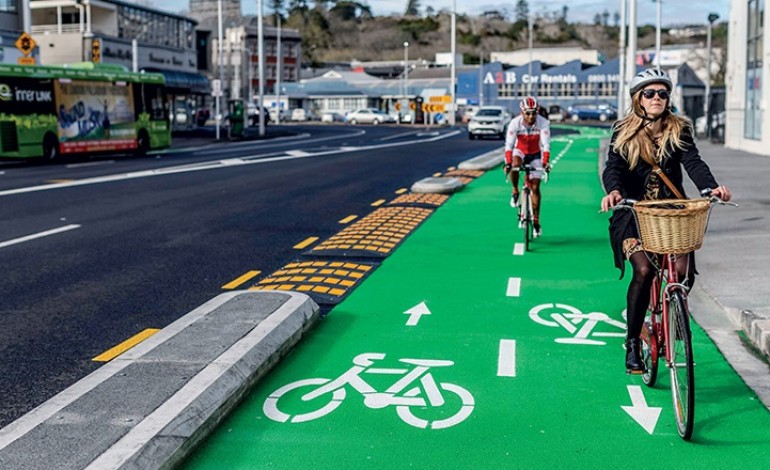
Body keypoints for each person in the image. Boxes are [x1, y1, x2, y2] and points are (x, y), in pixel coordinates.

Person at [599, 68, 732, 373]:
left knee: (683, 274)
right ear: (638, 99)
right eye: (650, 93)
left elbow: (694, 163)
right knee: (644, 270)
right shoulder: (623, 130)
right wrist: (614, 191)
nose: (657, 98)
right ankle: (633, 341)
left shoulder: (679, 129)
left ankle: (673, 317)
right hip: (633, 213)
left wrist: (710, 188)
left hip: (672, 212)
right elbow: (613, 168)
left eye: (662, 93)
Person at [503, 96, 551, 238]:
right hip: (520, 152)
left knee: (535, 188)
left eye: (533, 113)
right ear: (522, 112)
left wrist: (545, 163)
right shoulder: (514, 123)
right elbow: (509, 145)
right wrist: (507, 162)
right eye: (527, 113)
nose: (531, 116)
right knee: (515, 164)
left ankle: (536, 221)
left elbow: (546, 144)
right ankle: (515, 190)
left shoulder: (543, 123)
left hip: (536, 153)